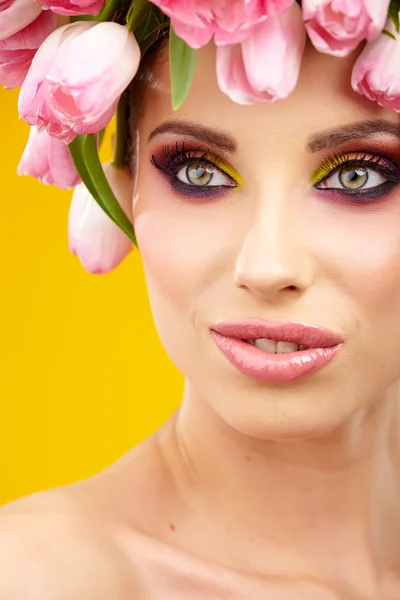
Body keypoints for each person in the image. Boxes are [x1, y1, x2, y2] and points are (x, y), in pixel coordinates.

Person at [1, 1, 400, 598]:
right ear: (126, 193)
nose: (268, 267)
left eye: (357, 175)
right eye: (199, 173)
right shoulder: (42, 580)